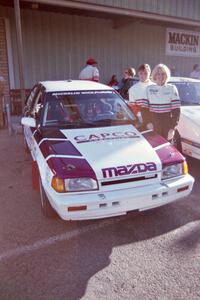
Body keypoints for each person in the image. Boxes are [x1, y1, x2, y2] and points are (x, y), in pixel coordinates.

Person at [146, 64, 181, 141]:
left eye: (163, 74)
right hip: (153, 123)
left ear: (167, 75)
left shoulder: (172, 88)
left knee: (166, 148)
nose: (160, 76)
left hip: (167, 124)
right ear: (154, 75)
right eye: (158, 74)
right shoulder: (149, 89)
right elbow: (145, 108)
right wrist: (148, 122)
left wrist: (172, 128)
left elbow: (176, 111)